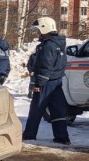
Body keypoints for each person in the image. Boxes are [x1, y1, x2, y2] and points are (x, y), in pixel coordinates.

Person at [22, 17, 70, 145]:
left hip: (46, 82)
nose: (38, 33)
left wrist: (38, 83)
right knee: (57, 110)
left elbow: (45, 66)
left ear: (45, 28)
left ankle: (29, 135)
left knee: (36, 109)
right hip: (56, 81)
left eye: (39, 30)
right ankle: (62, 136)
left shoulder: (48, 45)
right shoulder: (58, 43)